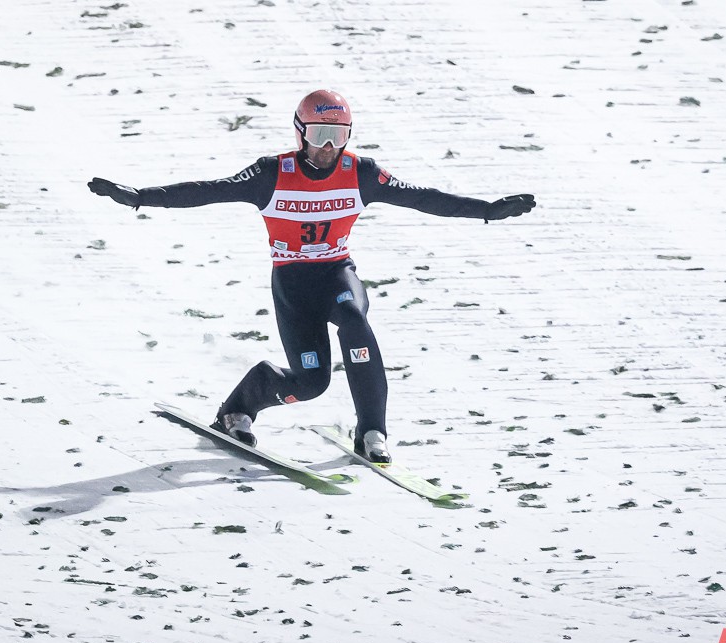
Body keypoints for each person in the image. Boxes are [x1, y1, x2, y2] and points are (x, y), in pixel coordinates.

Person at [88, 89, 536, 464]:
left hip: (337, 275)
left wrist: (487, 210)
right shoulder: (271, 173)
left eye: (338, 136)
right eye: (320, 135)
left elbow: (424, 198)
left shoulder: (360, 172)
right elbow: (208, 191)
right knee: (310, 383)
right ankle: (238, 408)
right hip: (293, 285)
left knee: (355, 322)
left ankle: (372, 431)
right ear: (300, 133)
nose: (328, 147)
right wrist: (140, 197)